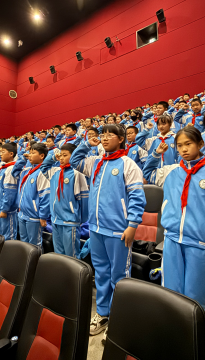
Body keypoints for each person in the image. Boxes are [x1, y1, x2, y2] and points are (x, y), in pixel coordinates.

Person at [143, 126, 205, 309]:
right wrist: (156, 154)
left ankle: (194, 324)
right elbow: (147, 173)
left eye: (188, 144)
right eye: (179, 145)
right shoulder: (171, 171)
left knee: (195, 294)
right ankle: (172, 323)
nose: (183, 149)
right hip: (172, 239)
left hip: (199, 242)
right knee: (170, 291)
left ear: (200, 144)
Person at [70, 124, 146, 337]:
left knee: (119, 275)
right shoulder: (95, 162)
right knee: (101, 273)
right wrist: (87, 144)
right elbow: (74, 161)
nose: (104, 138)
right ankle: (103, 313)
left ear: (121, 139)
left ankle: (119, 318)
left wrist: (132, 225)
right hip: (96, 229)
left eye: (109, 135)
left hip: (118, 230)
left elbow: (137, 197)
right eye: (102, 135)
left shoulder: (128, 164)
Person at [41, 143, 89, 257]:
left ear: (73, 156)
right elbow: (43, 167)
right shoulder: (55, 172)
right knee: (59, 255)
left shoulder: (77, 174)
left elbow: (84, 199)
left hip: (70, 221)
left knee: (71, 255)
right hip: (55, 220)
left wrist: (80, 219)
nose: (61, 158)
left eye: (65, 155)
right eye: (60, 155)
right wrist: (54, 157)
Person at [15, 143, 51, 247]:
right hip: (22, 213)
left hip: (34, 216)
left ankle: (37, 259)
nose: (30, 155)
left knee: (34, 244)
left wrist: (43, 216)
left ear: (42, 156)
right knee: (24, 244)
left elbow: (45, 196)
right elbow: (15, 172)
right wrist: (23, 157)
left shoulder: (42, 172)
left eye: (33, 153)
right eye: (29, 153)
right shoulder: (27, 170)